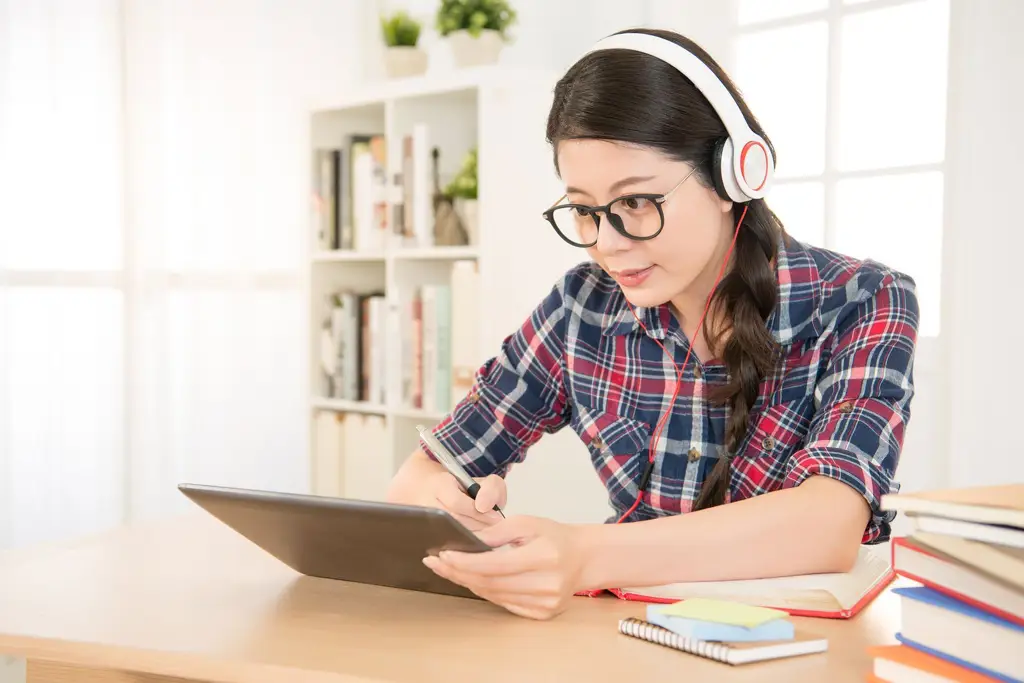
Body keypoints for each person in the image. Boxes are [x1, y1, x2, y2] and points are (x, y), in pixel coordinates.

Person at [386, 28, 919, 620]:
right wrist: (455, 514)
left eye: (636, 203)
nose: (605, 245)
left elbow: (828, 524)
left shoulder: (864, 300)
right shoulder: (581, 306)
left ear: (732, 176)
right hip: (633, 640)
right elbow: (424, 474)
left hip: (806, 649)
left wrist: (586, 553)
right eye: (585, 211)